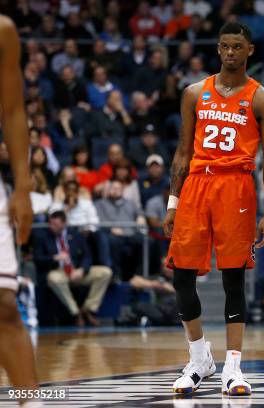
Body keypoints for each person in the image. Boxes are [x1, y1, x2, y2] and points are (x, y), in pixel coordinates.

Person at [163, 22, 264, 396]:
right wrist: (173, 201)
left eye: (237, 47)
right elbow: (182, 151)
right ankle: (199, 358)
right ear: (218, 49)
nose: (230, 52)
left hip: (236, 186)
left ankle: (233, 367)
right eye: (225, 46)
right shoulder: (194, 93)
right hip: (197, 184)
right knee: (182, 274)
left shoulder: (263, 100)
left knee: (233, 278)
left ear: (250, 51)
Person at [0, 15, 40, 407]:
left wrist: (22, 186)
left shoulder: (2, 30)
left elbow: (12, 110)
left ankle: (31, 402)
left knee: (3, 306)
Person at [33, 210, 112, 327]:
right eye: (51, 224)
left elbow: (88, 256)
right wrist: (54, 258)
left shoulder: (75, 235)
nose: (52, 227)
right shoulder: (43, 236)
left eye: (56, 225)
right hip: (59, 271)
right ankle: (76, 312)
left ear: (64, 223)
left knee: (105, 272)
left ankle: (89, 308)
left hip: (77, 271)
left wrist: (82, 270)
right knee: (53, 278)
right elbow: (37, 258)